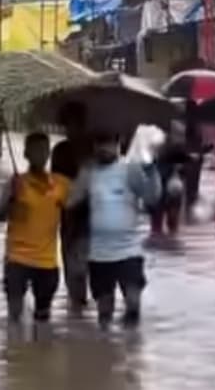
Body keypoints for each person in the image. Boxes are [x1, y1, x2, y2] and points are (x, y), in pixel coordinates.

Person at [67, 132, 162, 327]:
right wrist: (80, 176)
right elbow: (69, 203)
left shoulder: (130, 169)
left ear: (119, 145)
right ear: (94, 147)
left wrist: (152, 172)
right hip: (99, 254)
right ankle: (106, 352)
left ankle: (131, 348)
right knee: (104, 314)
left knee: (133, 304)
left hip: (129, 251)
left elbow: (152, 198)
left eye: (109, 143)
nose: (104, 148)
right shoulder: (89, 172)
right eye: (100, 143)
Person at [0, 132, 70, 324]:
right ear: (26, 154)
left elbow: (73, 212)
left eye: (44, 150)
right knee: (14, 315)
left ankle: (40, 351)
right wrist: (12, 198)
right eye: (35, 150)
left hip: (47, 262)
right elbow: (0, 217)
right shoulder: (15, 182)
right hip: (17, 258)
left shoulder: (60, 184)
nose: (40, 155)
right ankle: (15, 350)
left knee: (43, 317)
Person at [51, 102, 92, 313]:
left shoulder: (94, 149)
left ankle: (81, 302)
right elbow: (55, 182)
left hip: (92, 215)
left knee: (85, 261)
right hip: (68, 213)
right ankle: (77, 304)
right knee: (70, 258)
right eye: (69, 125)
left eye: (76, 124)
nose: (72, 129)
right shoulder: (60, 151)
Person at [149, 123, 190, 236]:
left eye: (181, 134)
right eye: (177, 134)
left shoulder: (181, 149)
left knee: (172, 222)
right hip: (162, 187)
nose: (180, 137)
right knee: (158, 223)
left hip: (172, 190)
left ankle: (167, 240)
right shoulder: (161, 148)